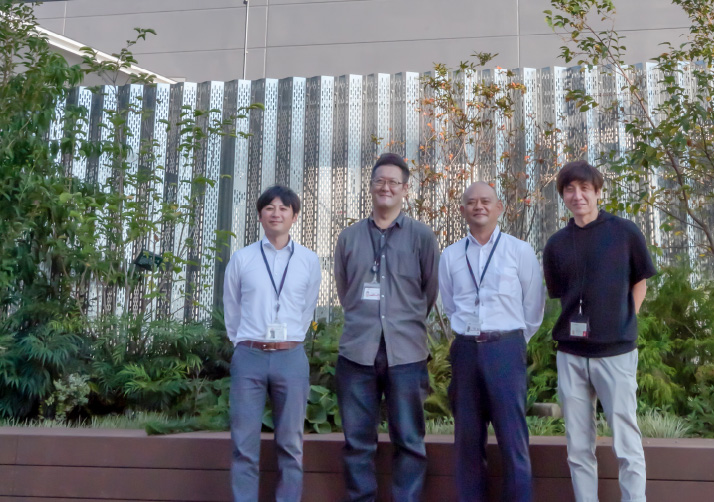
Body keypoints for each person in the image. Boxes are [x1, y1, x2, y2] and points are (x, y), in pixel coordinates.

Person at [543, 161, 657, 502]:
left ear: (597, 191)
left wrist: (625, 320)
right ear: (563, 195)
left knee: (626, 440)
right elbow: (561, 294)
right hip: (572, 354)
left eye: (584, 189)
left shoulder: (624, 232)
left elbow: (640, 283)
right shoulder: (556, 244)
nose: (577, 196)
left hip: (616, 353)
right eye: (569, 190)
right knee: (578, 445)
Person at [333, 152, 439, 502]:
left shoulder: (422, 237)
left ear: (405, 190)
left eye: (394, 182)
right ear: (371, 186)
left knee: (409, 441)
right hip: (357, 352)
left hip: (406, 353)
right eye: (380, 181)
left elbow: (430, 291)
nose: (386, 187)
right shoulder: (348, 238)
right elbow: (345, 290)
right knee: (357, 443)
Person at [438, 181, 545, 502]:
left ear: (499, 208)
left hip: (506, 349)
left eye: (486, 201)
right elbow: (450, 303)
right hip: (466, 350)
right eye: (471, 202)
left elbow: (534, 306)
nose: (479, 206)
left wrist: (511, 341)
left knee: (513, 440)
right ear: (462, 211)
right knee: (467, 440)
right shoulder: (451, 255)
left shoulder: (519, 251)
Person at [224, 184, 321, 502]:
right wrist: (244, 341)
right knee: (243, 444)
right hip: (249, 355)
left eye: (283, 208)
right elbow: (232, 309)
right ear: (260, 215)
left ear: (294, 216)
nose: (276, 213)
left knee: (291, 445)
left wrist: (291, 338)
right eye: (269, 207)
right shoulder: (242, 258)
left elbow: (307, 309)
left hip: (290, 356)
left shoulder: (308, 260)